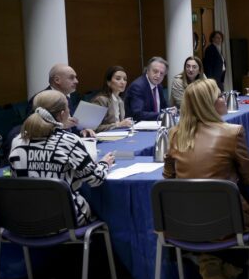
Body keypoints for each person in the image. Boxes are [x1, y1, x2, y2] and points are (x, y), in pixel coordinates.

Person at [163, 79, 249, 279]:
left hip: (183, 223)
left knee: (210, 221)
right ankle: (216, 274)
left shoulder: (175, 135)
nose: (223, 99)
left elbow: (168, 179)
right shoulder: (232, 132)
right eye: (219, 95)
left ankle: (211, 272)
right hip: (228, 224)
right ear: (209, 103)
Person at [9, 90, 115, 226]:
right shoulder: (68, 140)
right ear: (63, 114)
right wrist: (104, 164)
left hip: (24, 220)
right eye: (68, 108)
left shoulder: (17, 141)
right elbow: (95, 179)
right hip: (64, 219)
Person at [124, 56, 170, 121]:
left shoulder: (159, 86)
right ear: (147, 71)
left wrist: (169, 110)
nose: (158, 76)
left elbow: (163, 106)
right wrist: (160, 115)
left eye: (162, 73)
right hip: (137, 125)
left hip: (155, 124)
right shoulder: (138, 87)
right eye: (155, 71)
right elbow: (138, 114)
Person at [90, 66, 133, 132]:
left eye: (125, 79)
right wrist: (118, 125)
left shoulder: (121, 100)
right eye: (118, 79)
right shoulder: (100, 100)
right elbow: (93, 128)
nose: (123, 82)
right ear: (108, 82)